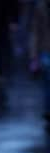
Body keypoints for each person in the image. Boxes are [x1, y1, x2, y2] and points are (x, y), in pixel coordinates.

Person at [30, 0, 50, 129]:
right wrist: (34, 55)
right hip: (46, 50)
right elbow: (35, 32)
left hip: (45, 50)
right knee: (47, 83)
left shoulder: (41, 6)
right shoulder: (41, 7)